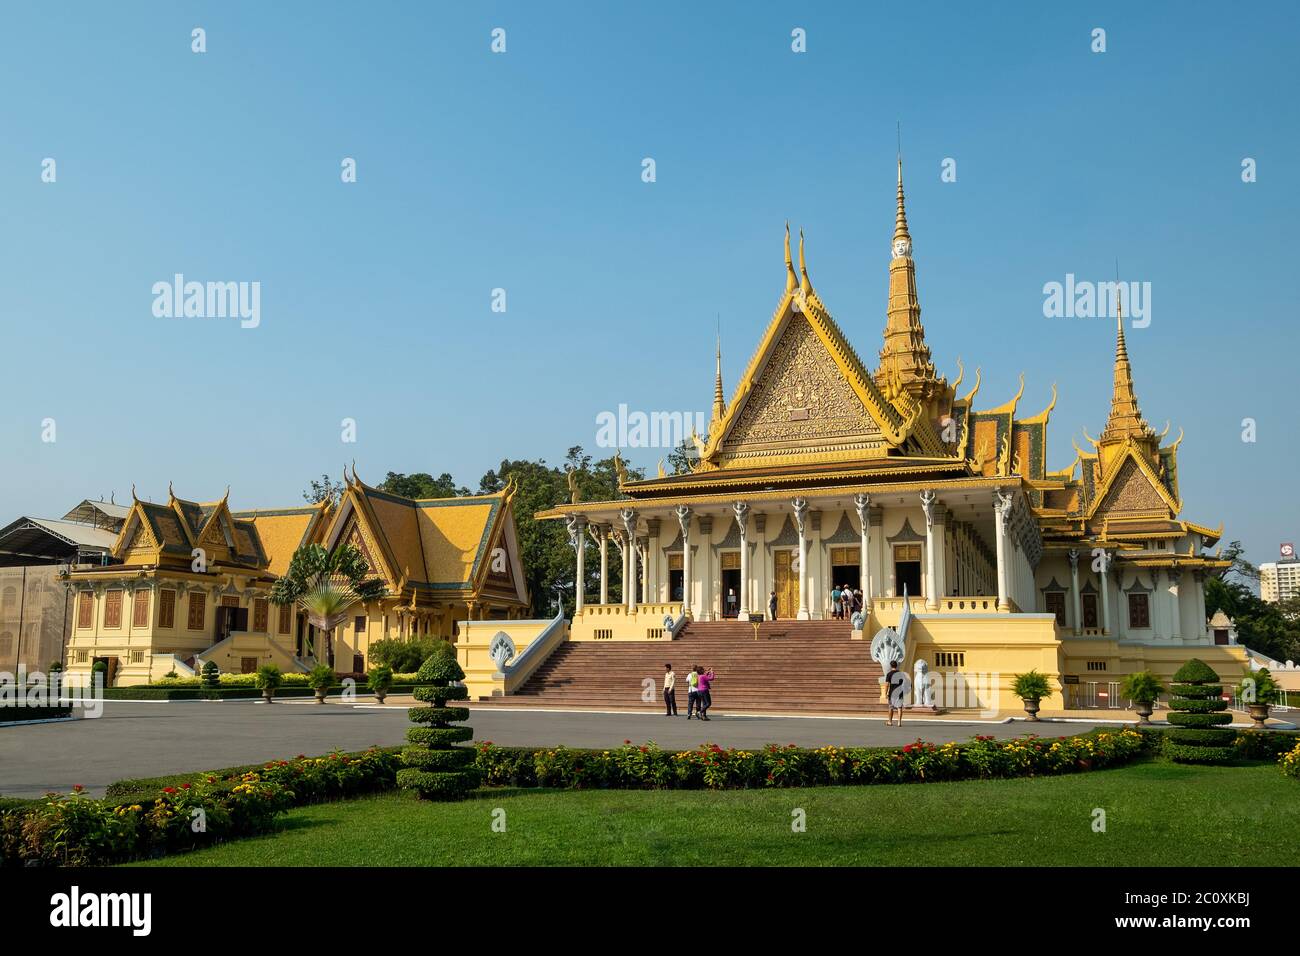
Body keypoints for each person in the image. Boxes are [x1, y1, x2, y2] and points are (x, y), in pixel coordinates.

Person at [886, 659, 906, 726]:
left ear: (891, 666)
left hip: (892, 692)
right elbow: (904, 683)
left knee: (891, 707)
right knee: (899, 707)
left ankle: (890, 721)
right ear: (896, 666)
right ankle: (899, 722)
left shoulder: (889, 674)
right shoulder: (901, 674)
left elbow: (887, 685)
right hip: (900, 692)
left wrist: (886, 692)